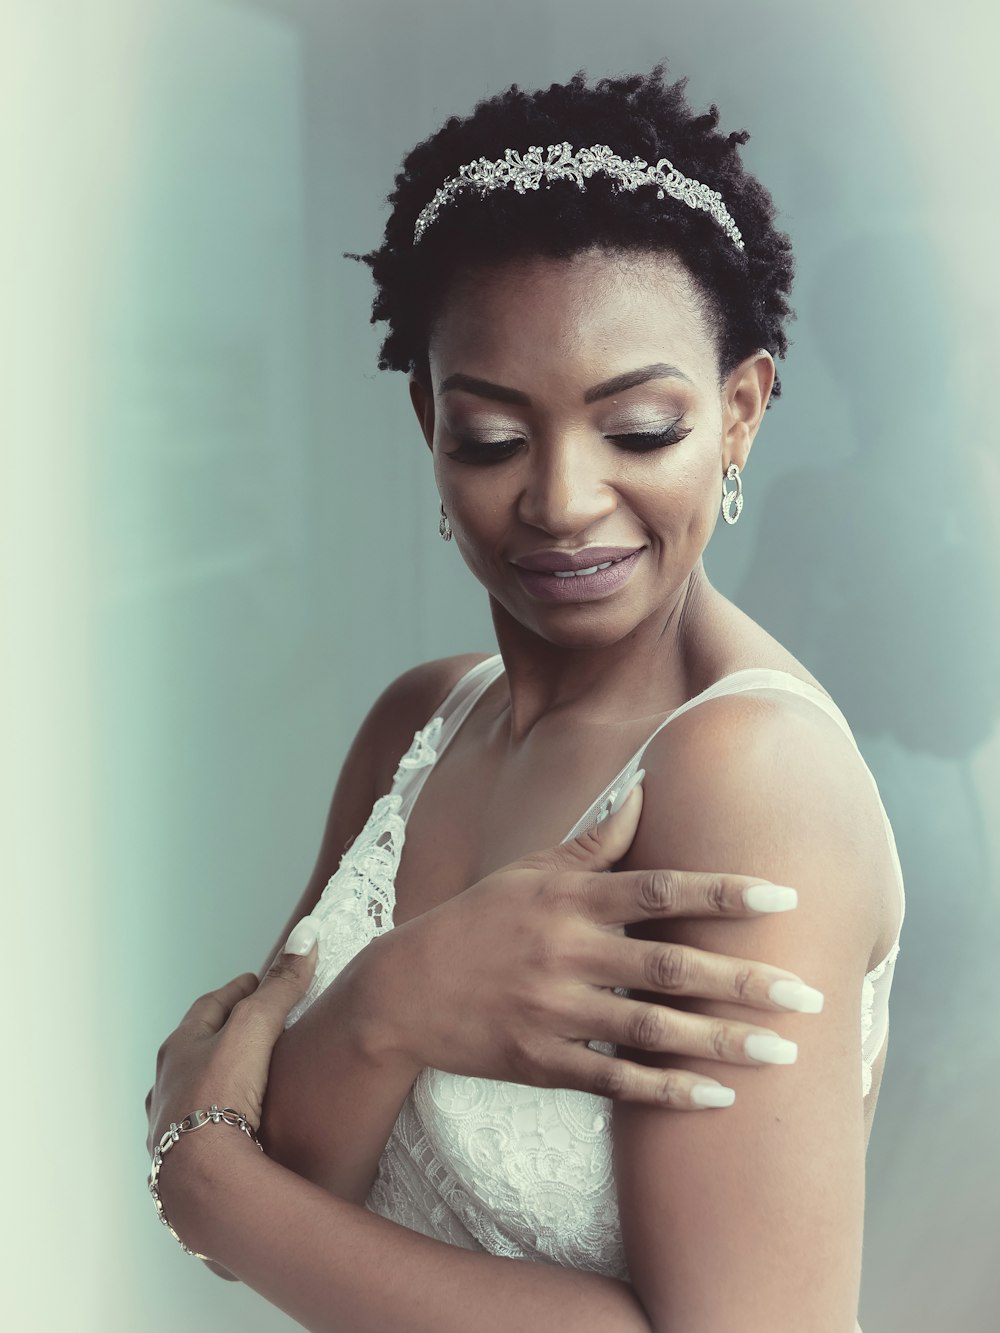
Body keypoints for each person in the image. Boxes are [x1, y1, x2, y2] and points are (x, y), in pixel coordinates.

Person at [146, 65, 904, 1332]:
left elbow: (248, 1195)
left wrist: (204, 1177)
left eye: (642, 429)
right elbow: (302, 1186)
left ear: (740, 412)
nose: (559, 499)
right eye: (492, 436)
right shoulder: (419, 721)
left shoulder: (744, 777)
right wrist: (392, 1003)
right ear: (425, 420)